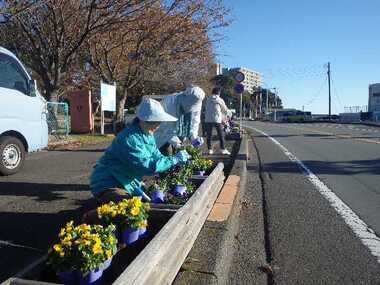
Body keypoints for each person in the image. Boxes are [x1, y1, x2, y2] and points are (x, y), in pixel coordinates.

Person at [89, 98, 190, 205]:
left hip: (127, 181)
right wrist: (174, 159)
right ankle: (89, 216)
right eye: (155, 122)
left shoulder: (147, 134)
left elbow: (157, 156)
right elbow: (147, 166)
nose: (157, 125)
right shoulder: (129, 139)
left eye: (159, 122)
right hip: (109, 183)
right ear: (143, 120)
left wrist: (172, 160)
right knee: (128, 208)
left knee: (146, 202)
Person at [154, 85, 205, 155]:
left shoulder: (197, 103)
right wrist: (178, 145)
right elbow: (166, 129)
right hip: (162, 135)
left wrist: (194, 138)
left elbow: (195, 122)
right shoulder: (169, 103)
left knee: (180, 157)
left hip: (179, 134)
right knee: (167, 155)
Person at [204, 87, 230, 155]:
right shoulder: (219, 99)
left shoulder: (208, 99)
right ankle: (223, 149)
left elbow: (206, 108)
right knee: (221, 134)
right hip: (217, 119)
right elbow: (225, 109)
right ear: (218, 92)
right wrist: (226, 116)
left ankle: (209, 149)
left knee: (209, 135)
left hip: (208, 119)